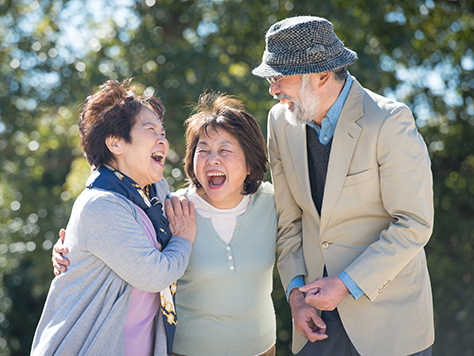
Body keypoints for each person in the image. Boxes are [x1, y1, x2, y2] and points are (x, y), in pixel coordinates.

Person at [252, 16, 434, 356]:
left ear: (321, 75)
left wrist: (345, 284)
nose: (273, 90)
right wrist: (295, 294)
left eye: (278, 78)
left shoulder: (390, 122)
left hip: (391, 327)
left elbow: (414, 224)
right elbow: (288, 221)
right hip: (314, 323)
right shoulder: (279, 121)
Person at [53, 92, 278, 356]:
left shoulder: (272, 202)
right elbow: (112, 231)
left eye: (225, 150)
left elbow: (307, 236)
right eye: (202, 151)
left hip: (262, 349)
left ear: (250, 163)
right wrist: (69, 251)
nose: (212, 159)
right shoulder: (173, 209)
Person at [32, 79, 196, 356]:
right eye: (150, 129)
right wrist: (182, 239)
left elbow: (196, 204)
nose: (163, 139)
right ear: (115, 143)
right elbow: (154, 274)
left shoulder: (155, 193)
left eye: (163, 132)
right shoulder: (100, 205)